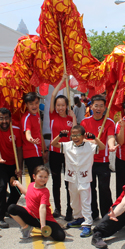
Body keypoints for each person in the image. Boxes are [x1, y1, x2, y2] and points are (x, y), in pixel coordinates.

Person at [52, 125, 105, 237]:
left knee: (85, 200)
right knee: (74, 200)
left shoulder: (89, 146)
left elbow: (102, 147)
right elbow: (53, 144)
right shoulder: (67, 145)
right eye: (73, 135)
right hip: (72, 178)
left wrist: (95, 138)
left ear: (83, 135)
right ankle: (78, 218)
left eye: (78, 135)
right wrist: (60, 135)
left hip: (84, 178)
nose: (75, 137)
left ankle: (87, 224)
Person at [80, 94, 117, 221]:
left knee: (104, 188)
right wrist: (92, 142)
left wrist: (111, 146)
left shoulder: (109, 122)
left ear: (105, 107)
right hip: (88, 161)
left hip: (103, 161)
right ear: (91, 106)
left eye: (101, 106)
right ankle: (93, 213)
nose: (99, 108)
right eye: (96, 105)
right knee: (90, 188)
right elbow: (80, 139)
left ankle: (107, 214)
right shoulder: (85, 122)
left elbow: (111, 137)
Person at [8, 165, 66, 241]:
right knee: (11, 208)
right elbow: (27, 193)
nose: (43, 179)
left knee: (61, 236)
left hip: (44, 219)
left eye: (45, 177)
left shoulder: (45, 192)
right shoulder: (31, 185)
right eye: (40, 176)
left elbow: (42, 208)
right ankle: (26, 227)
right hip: (31, 216)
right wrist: (18, 184)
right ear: (34, 176)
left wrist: (43, 225)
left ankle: (54, 225)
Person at [0, 108, 23, 228]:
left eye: (6, 118)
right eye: (1, 118)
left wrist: (19, 167)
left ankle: (8, 208)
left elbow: (19, 150)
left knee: (17, 189)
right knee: (2, 186)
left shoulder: (16, 130)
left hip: (13, 164)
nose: (4, 121)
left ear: (10, 119)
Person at [48, 74, 77, 219]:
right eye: (58, 105)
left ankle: (70, 209)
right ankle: (57, 209)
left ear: (67, 106)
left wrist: (75, 118)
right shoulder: (53, 115)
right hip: (54, 152)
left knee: (68, 182)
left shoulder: (70, 118)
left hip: (68, 153)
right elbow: (53, 94)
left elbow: (76, 135)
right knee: (56, 182)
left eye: (63, 105)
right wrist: (62, 79)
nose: (60, 107)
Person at [21, 92, 47, 183]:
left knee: (42, 179)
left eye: (36, 103)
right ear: (27, 105)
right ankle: (33, 197)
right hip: (31, 154)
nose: (34, 106)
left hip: (38, 152)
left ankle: (40, 197)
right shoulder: (26, 117)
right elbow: (27, 133)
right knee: (37, 180)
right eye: (31, 104)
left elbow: (39, 133)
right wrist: (31, 139)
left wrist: (45, 150)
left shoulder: (37, 115)